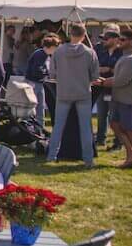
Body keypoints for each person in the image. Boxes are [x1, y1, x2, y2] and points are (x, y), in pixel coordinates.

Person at [46, 24, 99, 167]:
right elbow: (95, 76)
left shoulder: (58, 52)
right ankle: (88, 159)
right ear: (83, 35)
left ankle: (51, 156)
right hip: (83, 93)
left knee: (58, 126)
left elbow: (52, 74)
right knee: (86, 127)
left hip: (63, 93)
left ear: (70, 34)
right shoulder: (90, 53)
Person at [97, 28, 132, 169]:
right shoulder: (129, 55)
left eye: (123, 39)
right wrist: (105, 80)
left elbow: (121, 80)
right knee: (115, 124)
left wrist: (102, 82)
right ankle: (131, 154)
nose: (119, 41)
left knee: (128, 128)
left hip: (131, 100)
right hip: (123, 98)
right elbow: (120, 78)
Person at [93, 25, 123, 147]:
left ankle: (118, 140)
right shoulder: (98, 48)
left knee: (115, 115)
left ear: (116, 38)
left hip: (116, 87)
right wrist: (99, 69)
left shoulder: (123, 50)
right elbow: (92, 65)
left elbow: (125, 69)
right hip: (101, 86)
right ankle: (100, 138)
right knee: (101, 113)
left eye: (107, 38)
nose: (103, 40)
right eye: (103, 37)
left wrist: (110, 69)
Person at [25, 34, 59, 123]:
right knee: (32, 107)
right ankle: (31, 125)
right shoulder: (40, 54)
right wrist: (46, 73)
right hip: (33, 83)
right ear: (51, 47)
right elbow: (36, 70)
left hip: (40, 83)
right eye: (56, 47)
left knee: (41, 107)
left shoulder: (45, 55)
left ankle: (40, 127)